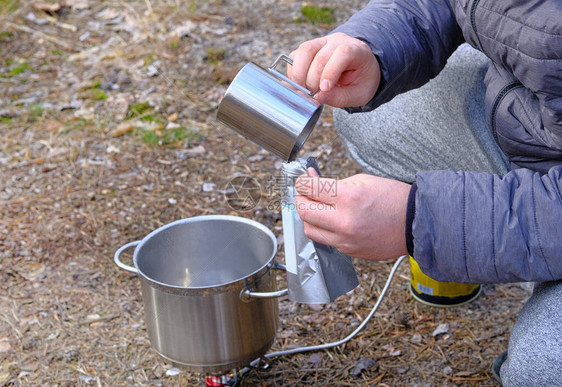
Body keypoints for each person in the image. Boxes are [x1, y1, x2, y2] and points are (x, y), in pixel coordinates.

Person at [288, 0, 562, 385]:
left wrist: (427, 219)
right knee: (383, 121)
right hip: (533, 134)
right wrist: (373, 48)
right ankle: (516, 265)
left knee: (543, 366)